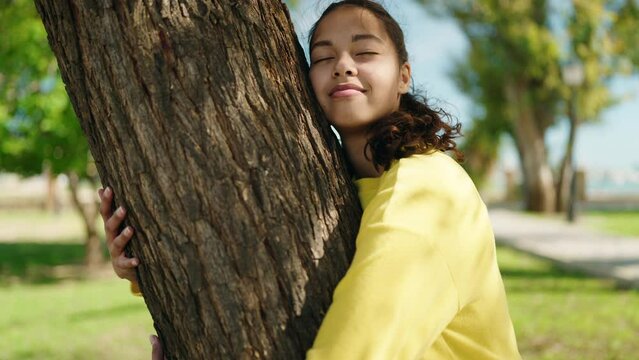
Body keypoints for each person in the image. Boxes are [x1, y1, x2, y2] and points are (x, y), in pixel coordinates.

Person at [99, 0, 521, 358]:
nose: (342, 66)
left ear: (404, 76)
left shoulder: (429, 188)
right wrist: (146, 266)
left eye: (365, 52)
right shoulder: (347, 183)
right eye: (322, 57)